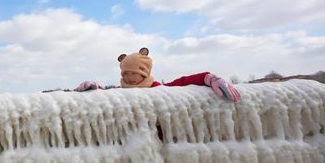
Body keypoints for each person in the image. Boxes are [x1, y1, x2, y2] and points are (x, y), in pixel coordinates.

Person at [75, 47, 241, 102]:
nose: (129, 78)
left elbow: (182, 82)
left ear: (145, 73)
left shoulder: (157, 88)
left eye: (134, 73)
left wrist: (207, 77)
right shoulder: (122, 91)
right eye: (126, 74)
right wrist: (95, 88)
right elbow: (109, 98)